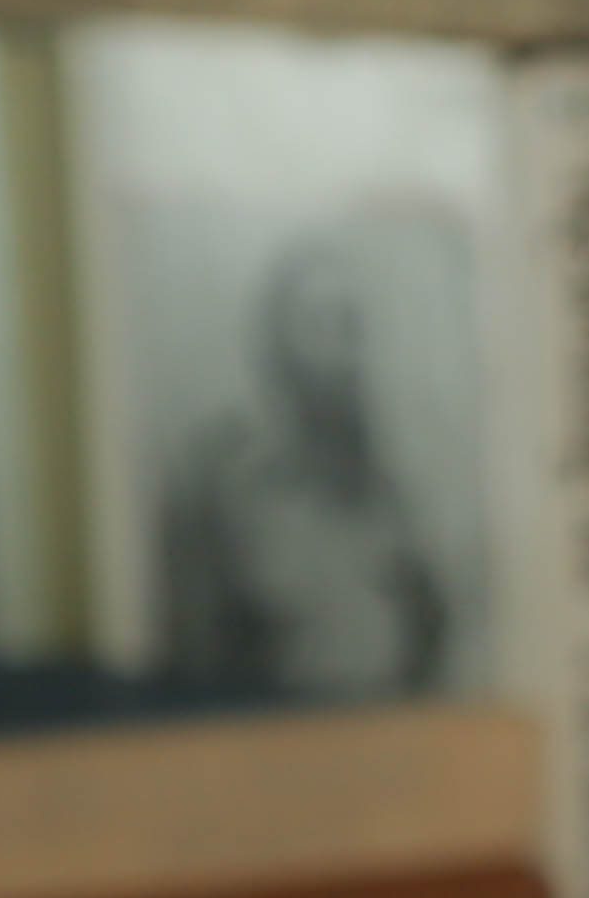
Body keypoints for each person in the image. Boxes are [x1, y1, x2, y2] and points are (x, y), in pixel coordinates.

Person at [155, 225, 457, 699]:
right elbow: (195, 656)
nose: (342, 353)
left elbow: (432, 640)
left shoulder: (391, 495)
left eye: (350, 325)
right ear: (277, 346)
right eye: (319, 325)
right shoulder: (224, 485)